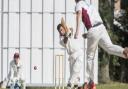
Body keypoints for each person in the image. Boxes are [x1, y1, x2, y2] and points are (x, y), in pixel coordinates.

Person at [74, 0, 128, 89]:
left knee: (90, 57)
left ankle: (90, 82)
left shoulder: (79, 4)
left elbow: (79, 14)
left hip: (93, 30)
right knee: (109, 47)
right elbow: (93, 20)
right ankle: (123, 51)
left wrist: (77, 32)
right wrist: (88, 34)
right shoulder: (89, 4)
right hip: (101, 27)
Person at [57, 19, 83, 89]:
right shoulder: (61, 40)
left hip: (79, 53)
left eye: (61, 29)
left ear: (64, 28)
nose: (61, 31)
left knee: (76, 69)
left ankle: (69, 85)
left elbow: (71, 30)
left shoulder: (68, 31)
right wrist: (66, 34)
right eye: (59, 31)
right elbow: (65, 41)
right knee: (73, 74)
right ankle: (77, 86)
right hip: (71, 56)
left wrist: (68, 30)